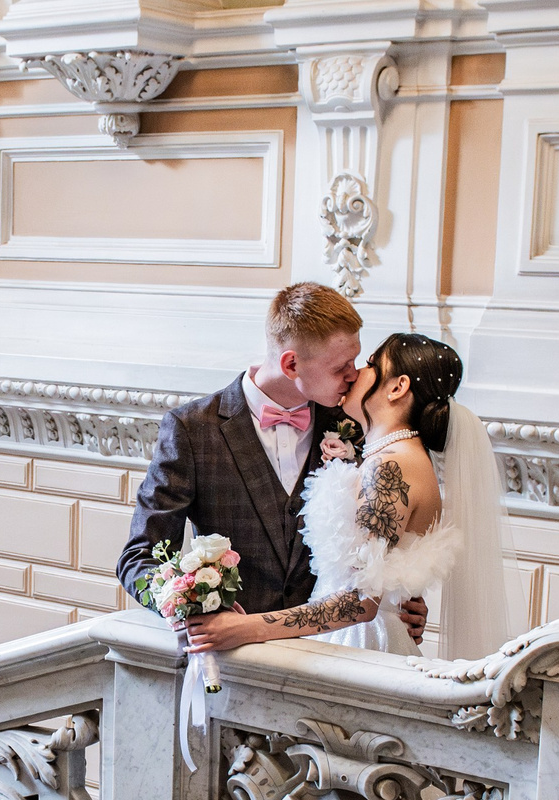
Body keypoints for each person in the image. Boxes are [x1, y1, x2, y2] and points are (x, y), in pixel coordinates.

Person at [181, 330, 523, 662]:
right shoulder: (392, 455)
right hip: (351, 634)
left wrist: (245, 628)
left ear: (397, 387)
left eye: (371, 363)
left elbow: (361, 601)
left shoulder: (392, 467)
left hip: (357, 643)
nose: (356, 372)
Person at [118, 283, 429, 646]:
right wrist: (188, 604)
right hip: (235, 658)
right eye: (341, 366)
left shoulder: (353, 423)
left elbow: (371, 545)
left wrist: (396, 598)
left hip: (335, 650)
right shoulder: (193, 429)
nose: (354, 374)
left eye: (355, 361)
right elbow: (138, 557)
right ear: (291, 363)